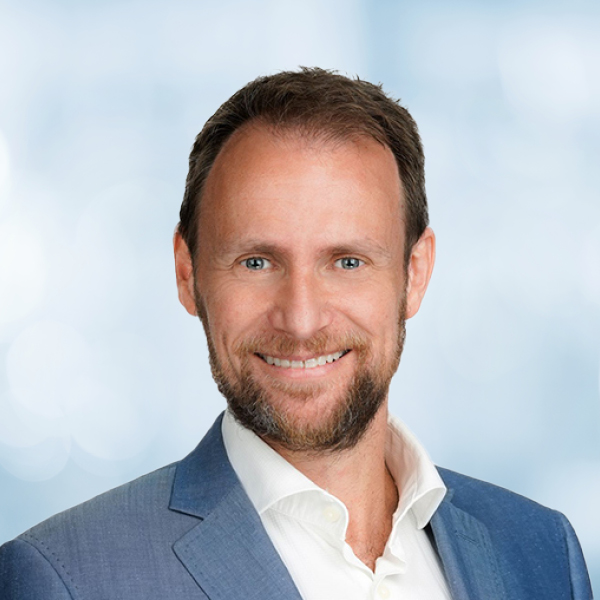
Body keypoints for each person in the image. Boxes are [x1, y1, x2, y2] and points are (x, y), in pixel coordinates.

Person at [0, 67, 593, 600]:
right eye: (257, 262)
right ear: (187, 273)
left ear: (415, 274)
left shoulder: (541, 551)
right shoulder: (66, 579)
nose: (302, 320)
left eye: (347, 262)